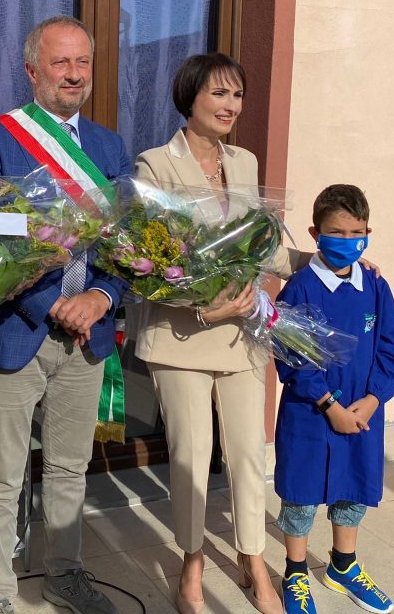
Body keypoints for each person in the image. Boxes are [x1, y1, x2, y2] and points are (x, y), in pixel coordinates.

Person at [0, 16, 131, 614]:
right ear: (32, 70)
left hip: (87, 337)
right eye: (61, 62)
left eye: (83, 62)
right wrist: (50, 302)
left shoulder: (109, 147)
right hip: (17, 330)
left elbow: (131, 243)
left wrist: (102, 297)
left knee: (69, 468)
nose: (74, 74)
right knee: (2, 474)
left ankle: (64, 574)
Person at [134, 52, 300, 614]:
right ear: (190, 97)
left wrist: (327, 259)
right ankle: (192, 563)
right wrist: (206, 308)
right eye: (219, 94)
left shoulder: (245, 163)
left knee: (249, 453)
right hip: (182, 335)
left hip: (242, 336)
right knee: (191, 455)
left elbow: (265, 247)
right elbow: (146, 264)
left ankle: (253, 560)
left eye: (238, 95)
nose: (231, 106)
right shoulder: (155, 164)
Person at [274, 184, 394, 614]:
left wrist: (374, 398)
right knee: (301, 491)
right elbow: (291, 356)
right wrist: (328, 404)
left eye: (356, 233)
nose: (347, 241)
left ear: (368, 233)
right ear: (315, 233)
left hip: (363, 412)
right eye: (336, 232)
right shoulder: (299, 288)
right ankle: (295, 572)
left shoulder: (375, 286)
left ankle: (343, 565)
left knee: (353, 486)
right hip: (311, 414)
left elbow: (392, 347)